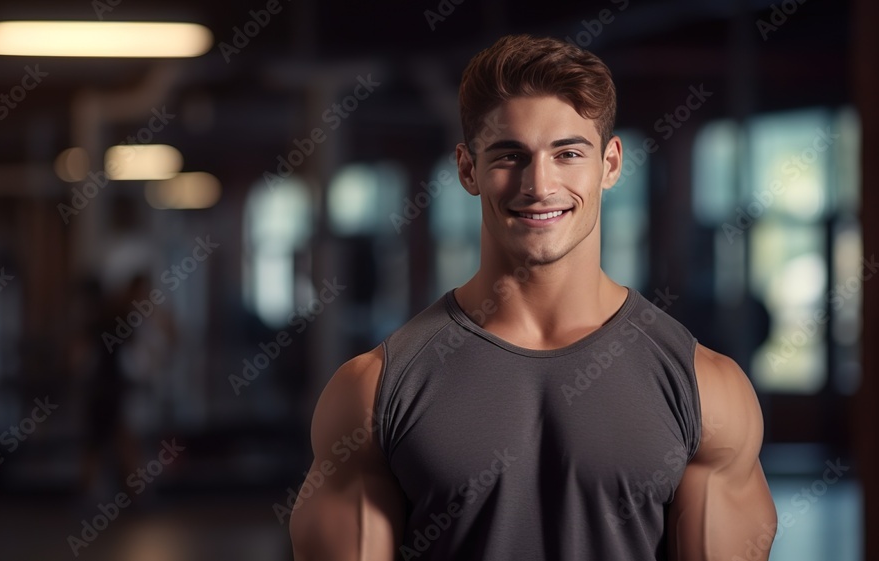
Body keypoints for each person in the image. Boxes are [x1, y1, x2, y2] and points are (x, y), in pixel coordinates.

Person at [289, 34, 777, 560]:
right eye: (509, 155)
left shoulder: (707, 390)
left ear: (610, 164)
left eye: (568, 153)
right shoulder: (374, 392)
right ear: (467, 168)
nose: (539, 184)